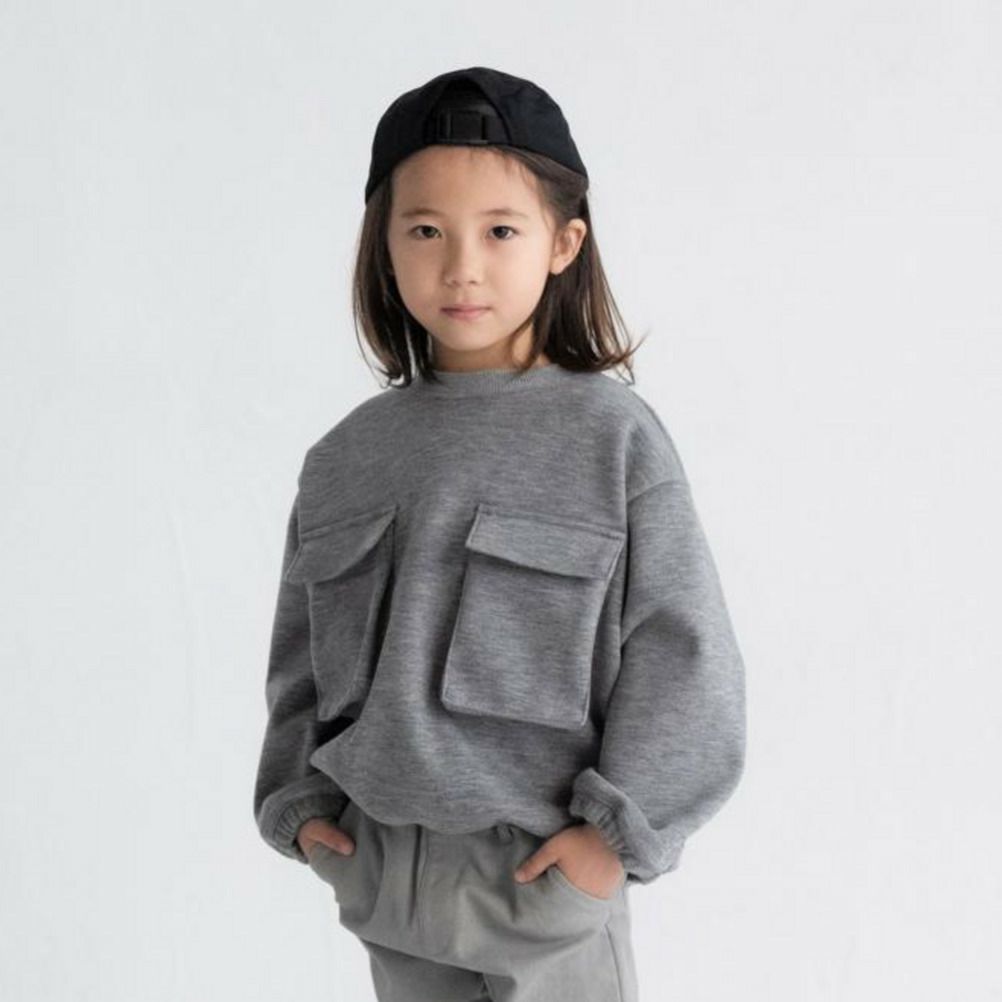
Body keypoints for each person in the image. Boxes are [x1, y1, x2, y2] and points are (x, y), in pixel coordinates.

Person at [253, 65, 746, 1002]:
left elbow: (683, 652)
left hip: (543, 874)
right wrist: (302, 808)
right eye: (425, 231)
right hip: (383, 873)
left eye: (500, 231)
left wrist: (617, 836)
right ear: (382, 245)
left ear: (564, 243)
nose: (461, 266)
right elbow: (300, 659)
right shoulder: (345, 457)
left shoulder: (611, 438)